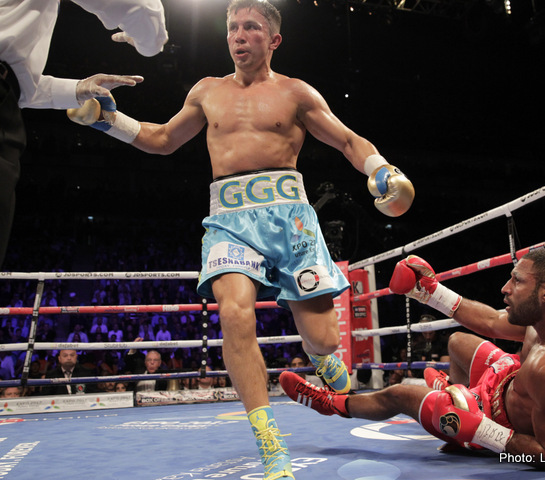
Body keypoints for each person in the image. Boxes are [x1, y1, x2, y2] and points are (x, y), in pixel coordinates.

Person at [67, 1, 414, 478]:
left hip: (290, 219)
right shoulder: (207, 91)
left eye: (251, 27)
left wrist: (381, 170)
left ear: (272, 40)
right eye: (232, 27)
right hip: (230, 218)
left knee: (322, 336)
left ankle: (321, 356)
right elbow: (163, 139)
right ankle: (270, 440)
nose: (239, 34)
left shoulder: (296, 93)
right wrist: (109, 120)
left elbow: (350, 142)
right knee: (233, 313)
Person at [281, 248, 545, 470]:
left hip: (501, 421)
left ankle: (331, 402)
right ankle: (457, 394)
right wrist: (429, 291)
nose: (505, 288)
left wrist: (479, 431)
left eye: (517, 281)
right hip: (509, 380)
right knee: (459, 341)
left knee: (401, 394)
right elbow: (490, 321)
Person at [0, 0, 168, 267]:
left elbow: (20, 87)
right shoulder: (208, 92)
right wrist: (149, 42)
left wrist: (77, 90)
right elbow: (138, 9)